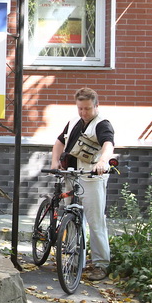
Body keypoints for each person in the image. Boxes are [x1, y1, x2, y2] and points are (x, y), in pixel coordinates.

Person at [50, 87, 115, 281]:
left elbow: (108, 144)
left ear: (96, 106)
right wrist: (54, 161)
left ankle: (101, 264)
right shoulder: (73, 122)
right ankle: (74, 259)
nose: (83, 112)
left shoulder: (102, 124)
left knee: (95, 221)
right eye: (80, 108)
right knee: (71, 217)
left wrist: (102, 162)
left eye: (87, 108)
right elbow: (59, 142)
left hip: (91, 178)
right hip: (71, 175)